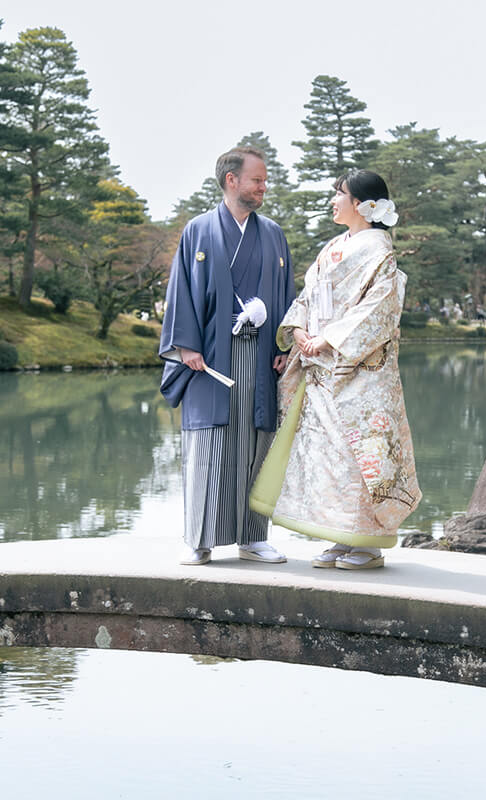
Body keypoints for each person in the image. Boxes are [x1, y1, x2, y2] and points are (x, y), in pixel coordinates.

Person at [249, 169, 421, 569]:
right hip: (321, 367)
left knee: (359, 453)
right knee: (327, 456)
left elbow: (379, 308)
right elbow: (310, 295)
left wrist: (328, 338)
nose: (333, 200)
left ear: (363, 205)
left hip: (360, 370)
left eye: (339, 194)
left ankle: (370, 541)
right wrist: (301, 331)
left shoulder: (380, 250)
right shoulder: (333, 246)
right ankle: (340, 536)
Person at [158, 146, 296, 566]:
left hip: (259, 357)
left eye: (264, 180)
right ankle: (198, 539)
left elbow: (287, 296)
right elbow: (181, 290)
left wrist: (283, 347)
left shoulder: (272, 234)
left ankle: (253, 537)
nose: (263, 187)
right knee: (210, 446)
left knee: (256, 444)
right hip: (209, 360)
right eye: (257, 179)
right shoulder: (199, 231)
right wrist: (185, 346)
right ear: (231, 180)